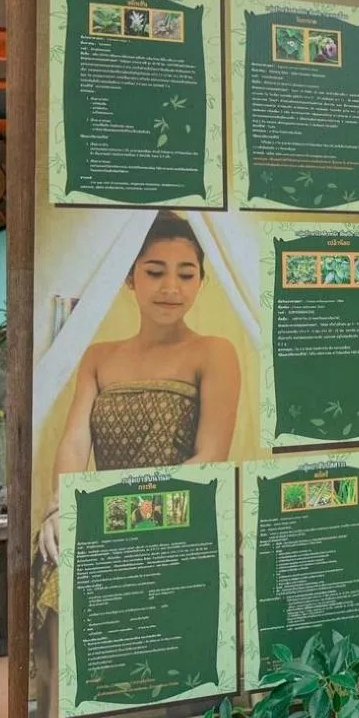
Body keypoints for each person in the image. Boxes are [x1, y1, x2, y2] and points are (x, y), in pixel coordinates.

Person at [37, 210, 240, 565]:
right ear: (130, 277)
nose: (171, 288)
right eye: (155, 271)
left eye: (187, 274)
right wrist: (63, 506)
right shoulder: (97, 357)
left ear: (201, 281)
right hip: (105, 518)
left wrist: (120, 509)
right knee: (54, 571)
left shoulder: (215, 352)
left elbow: (211, 457)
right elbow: (73, 441)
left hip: (182, 519)